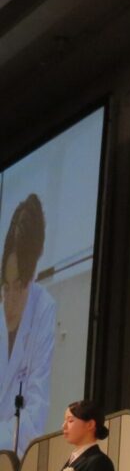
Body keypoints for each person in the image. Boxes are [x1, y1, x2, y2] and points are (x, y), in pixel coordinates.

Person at [0, 193, 56, 455]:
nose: (9, 301)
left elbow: (33, 422)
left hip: (12, 464)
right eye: (5, 286)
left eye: (19, 286)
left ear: (32, 278)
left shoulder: (43, 310)